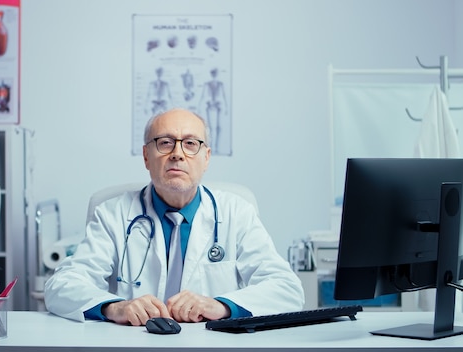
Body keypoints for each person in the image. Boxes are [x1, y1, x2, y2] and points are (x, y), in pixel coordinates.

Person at [44, 108, 304, 326]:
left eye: (191, 143)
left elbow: (287, 288)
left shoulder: (237, 212)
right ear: (147, 156)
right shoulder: (113, 214)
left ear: (206, 158)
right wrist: (115, 308)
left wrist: (222, 306)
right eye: (165, 142)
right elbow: (62, 286)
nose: (177, 153)